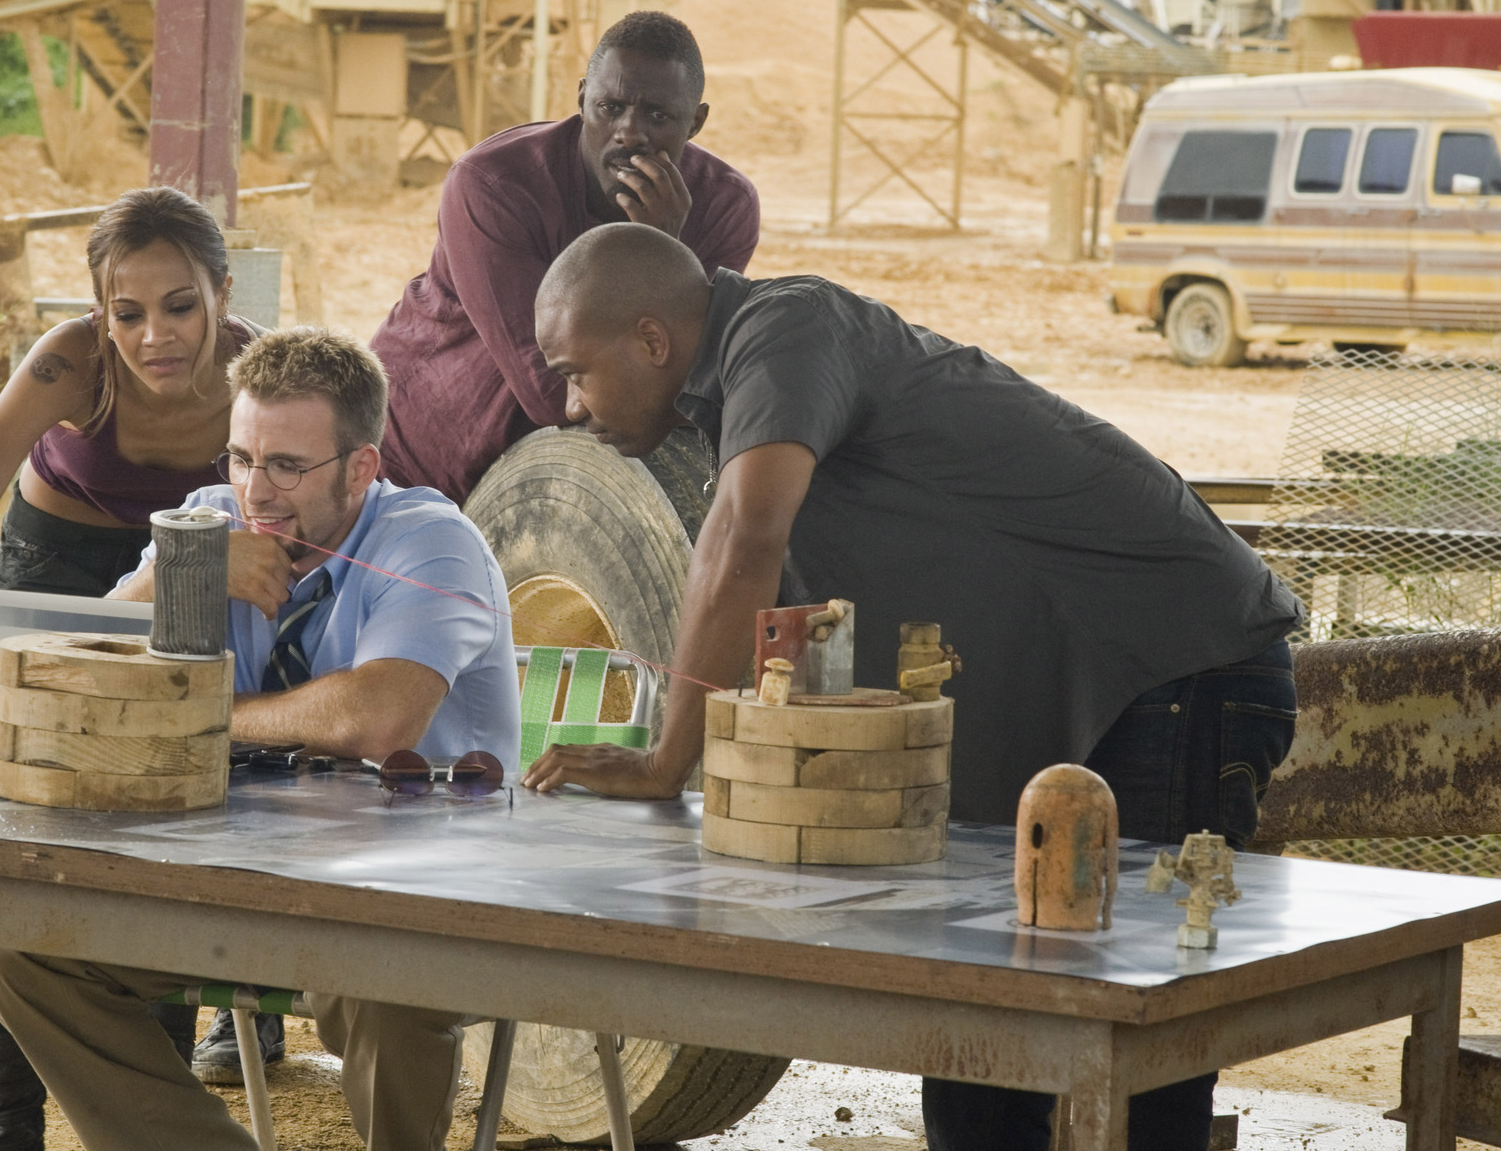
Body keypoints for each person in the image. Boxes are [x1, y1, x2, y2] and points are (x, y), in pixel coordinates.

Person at [520, 223, 1303, 1151]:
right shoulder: (747, 386)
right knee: (978, 1040)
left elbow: (742, 544)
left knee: (1132, 1035)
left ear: (652, 341)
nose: (569, 407)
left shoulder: (785, 328)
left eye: (574, 371)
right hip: (1101, 690)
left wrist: (663, 764)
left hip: (1175, 664)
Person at [0, 326, 520, 1151]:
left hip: (423, 896)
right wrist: (172, 574)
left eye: (288, 466)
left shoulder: (431, 541)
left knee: (383, 975)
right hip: (252, 886)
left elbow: (372, 719)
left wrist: (191, 712)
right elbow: (76, 676)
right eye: (239, 458)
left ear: (362, 468)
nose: (256, 492)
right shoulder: (212, 521)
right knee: (19, 954)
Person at [0, 186, 289, 1149]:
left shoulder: (263, 374)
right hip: (60, 564)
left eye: (179, 306)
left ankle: (153, 1092)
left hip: (190, 563)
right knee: (14, 830)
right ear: (97, 314)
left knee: (163, 813)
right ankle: (13, 1123)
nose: (154, 335)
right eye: (126, 312)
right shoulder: (69, 365)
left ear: (222, 290)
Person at [370, 10, 759, 505]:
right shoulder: (493, 185)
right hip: (418, 448)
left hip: (554, 484)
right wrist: (650, 260)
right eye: (610, 107)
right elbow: (553, 390)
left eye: (659, 117)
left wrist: (662, 250)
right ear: (580, 100)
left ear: (697, 122)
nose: (629, 133)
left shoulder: (725, 205)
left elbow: (691, 376)